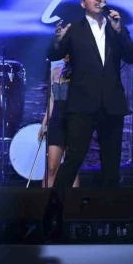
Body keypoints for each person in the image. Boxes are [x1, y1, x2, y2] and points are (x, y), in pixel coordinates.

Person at [49, 0, 133, 190]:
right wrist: (57, 42)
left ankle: (109, 207)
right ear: (83, 3)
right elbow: (54, 55)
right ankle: (55, 206)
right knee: (74, 158)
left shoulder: (116, 29)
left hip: (112, 104)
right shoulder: (74, 30)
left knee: (111, 163)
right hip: (82, 104)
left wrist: (120, 31)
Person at [38, 55, 80, 187]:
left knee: (71, 168)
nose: (66, 54)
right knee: (51, 167)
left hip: (74, 121)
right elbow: (51, 100)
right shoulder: (55, 71)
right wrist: (44, 124)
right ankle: (46, 198)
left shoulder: (81, 71)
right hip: (56, 121)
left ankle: (72, 199)